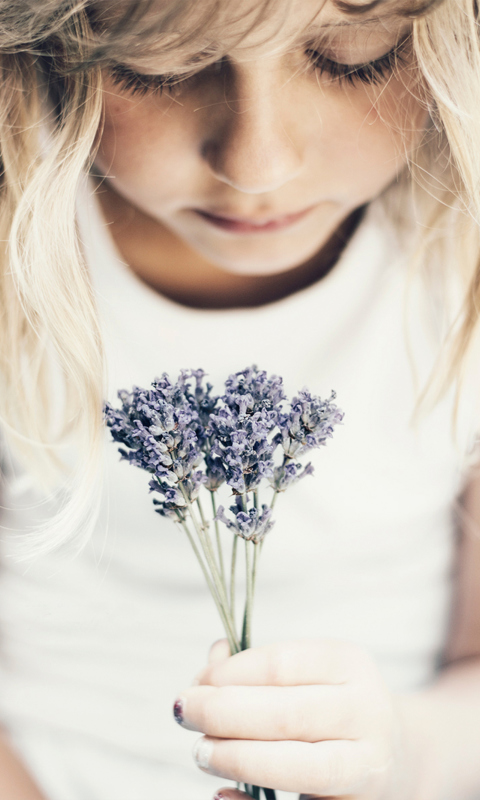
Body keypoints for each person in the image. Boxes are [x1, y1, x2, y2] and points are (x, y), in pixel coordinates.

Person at [1, 0, 480, 799]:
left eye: (353, 57)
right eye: (164, 67)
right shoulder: (23, 251)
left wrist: (396, 761)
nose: (258, 165)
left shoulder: (457, 265)